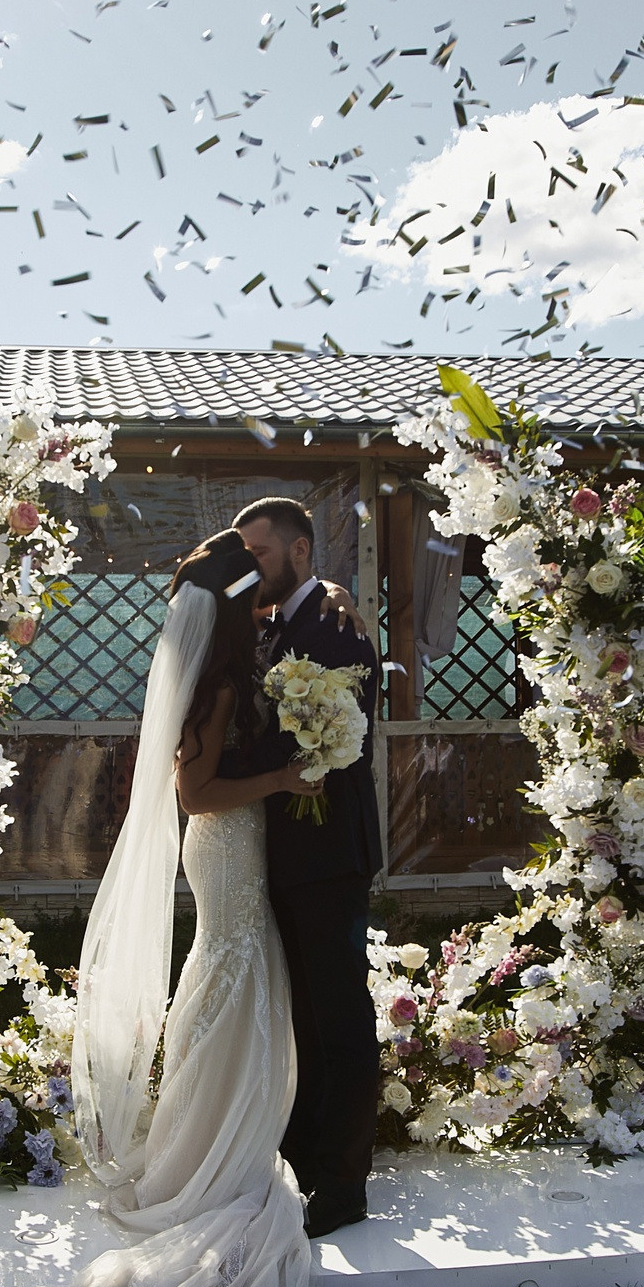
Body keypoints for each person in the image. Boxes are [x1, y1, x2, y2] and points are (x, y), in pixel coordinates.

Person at [5, 532, 322, 1287]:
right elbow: (197, 793)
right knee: (233, 970)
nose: (265, 608)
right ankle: (215, 1145)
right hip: (225, 842)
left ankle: (215, 1122)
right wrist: (283, 779)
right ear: (231, 607)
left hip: (229, 848)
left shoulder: (221, 672)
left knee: (232, 975)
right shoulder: (219, 684)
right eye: (255, 596)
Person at [236, 496, 386, 1238]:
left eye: (258, 553)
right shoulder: (281, 622)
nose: (249, 568)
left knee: (341, 1018)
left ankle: (345, 1182)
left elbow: (325, 740)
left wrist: (224, 767)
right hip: (291, 851)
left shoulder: (332, 623)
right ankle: (305, 1153)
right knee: (306, 1016)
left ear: (300, 552)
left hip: (329, 853)